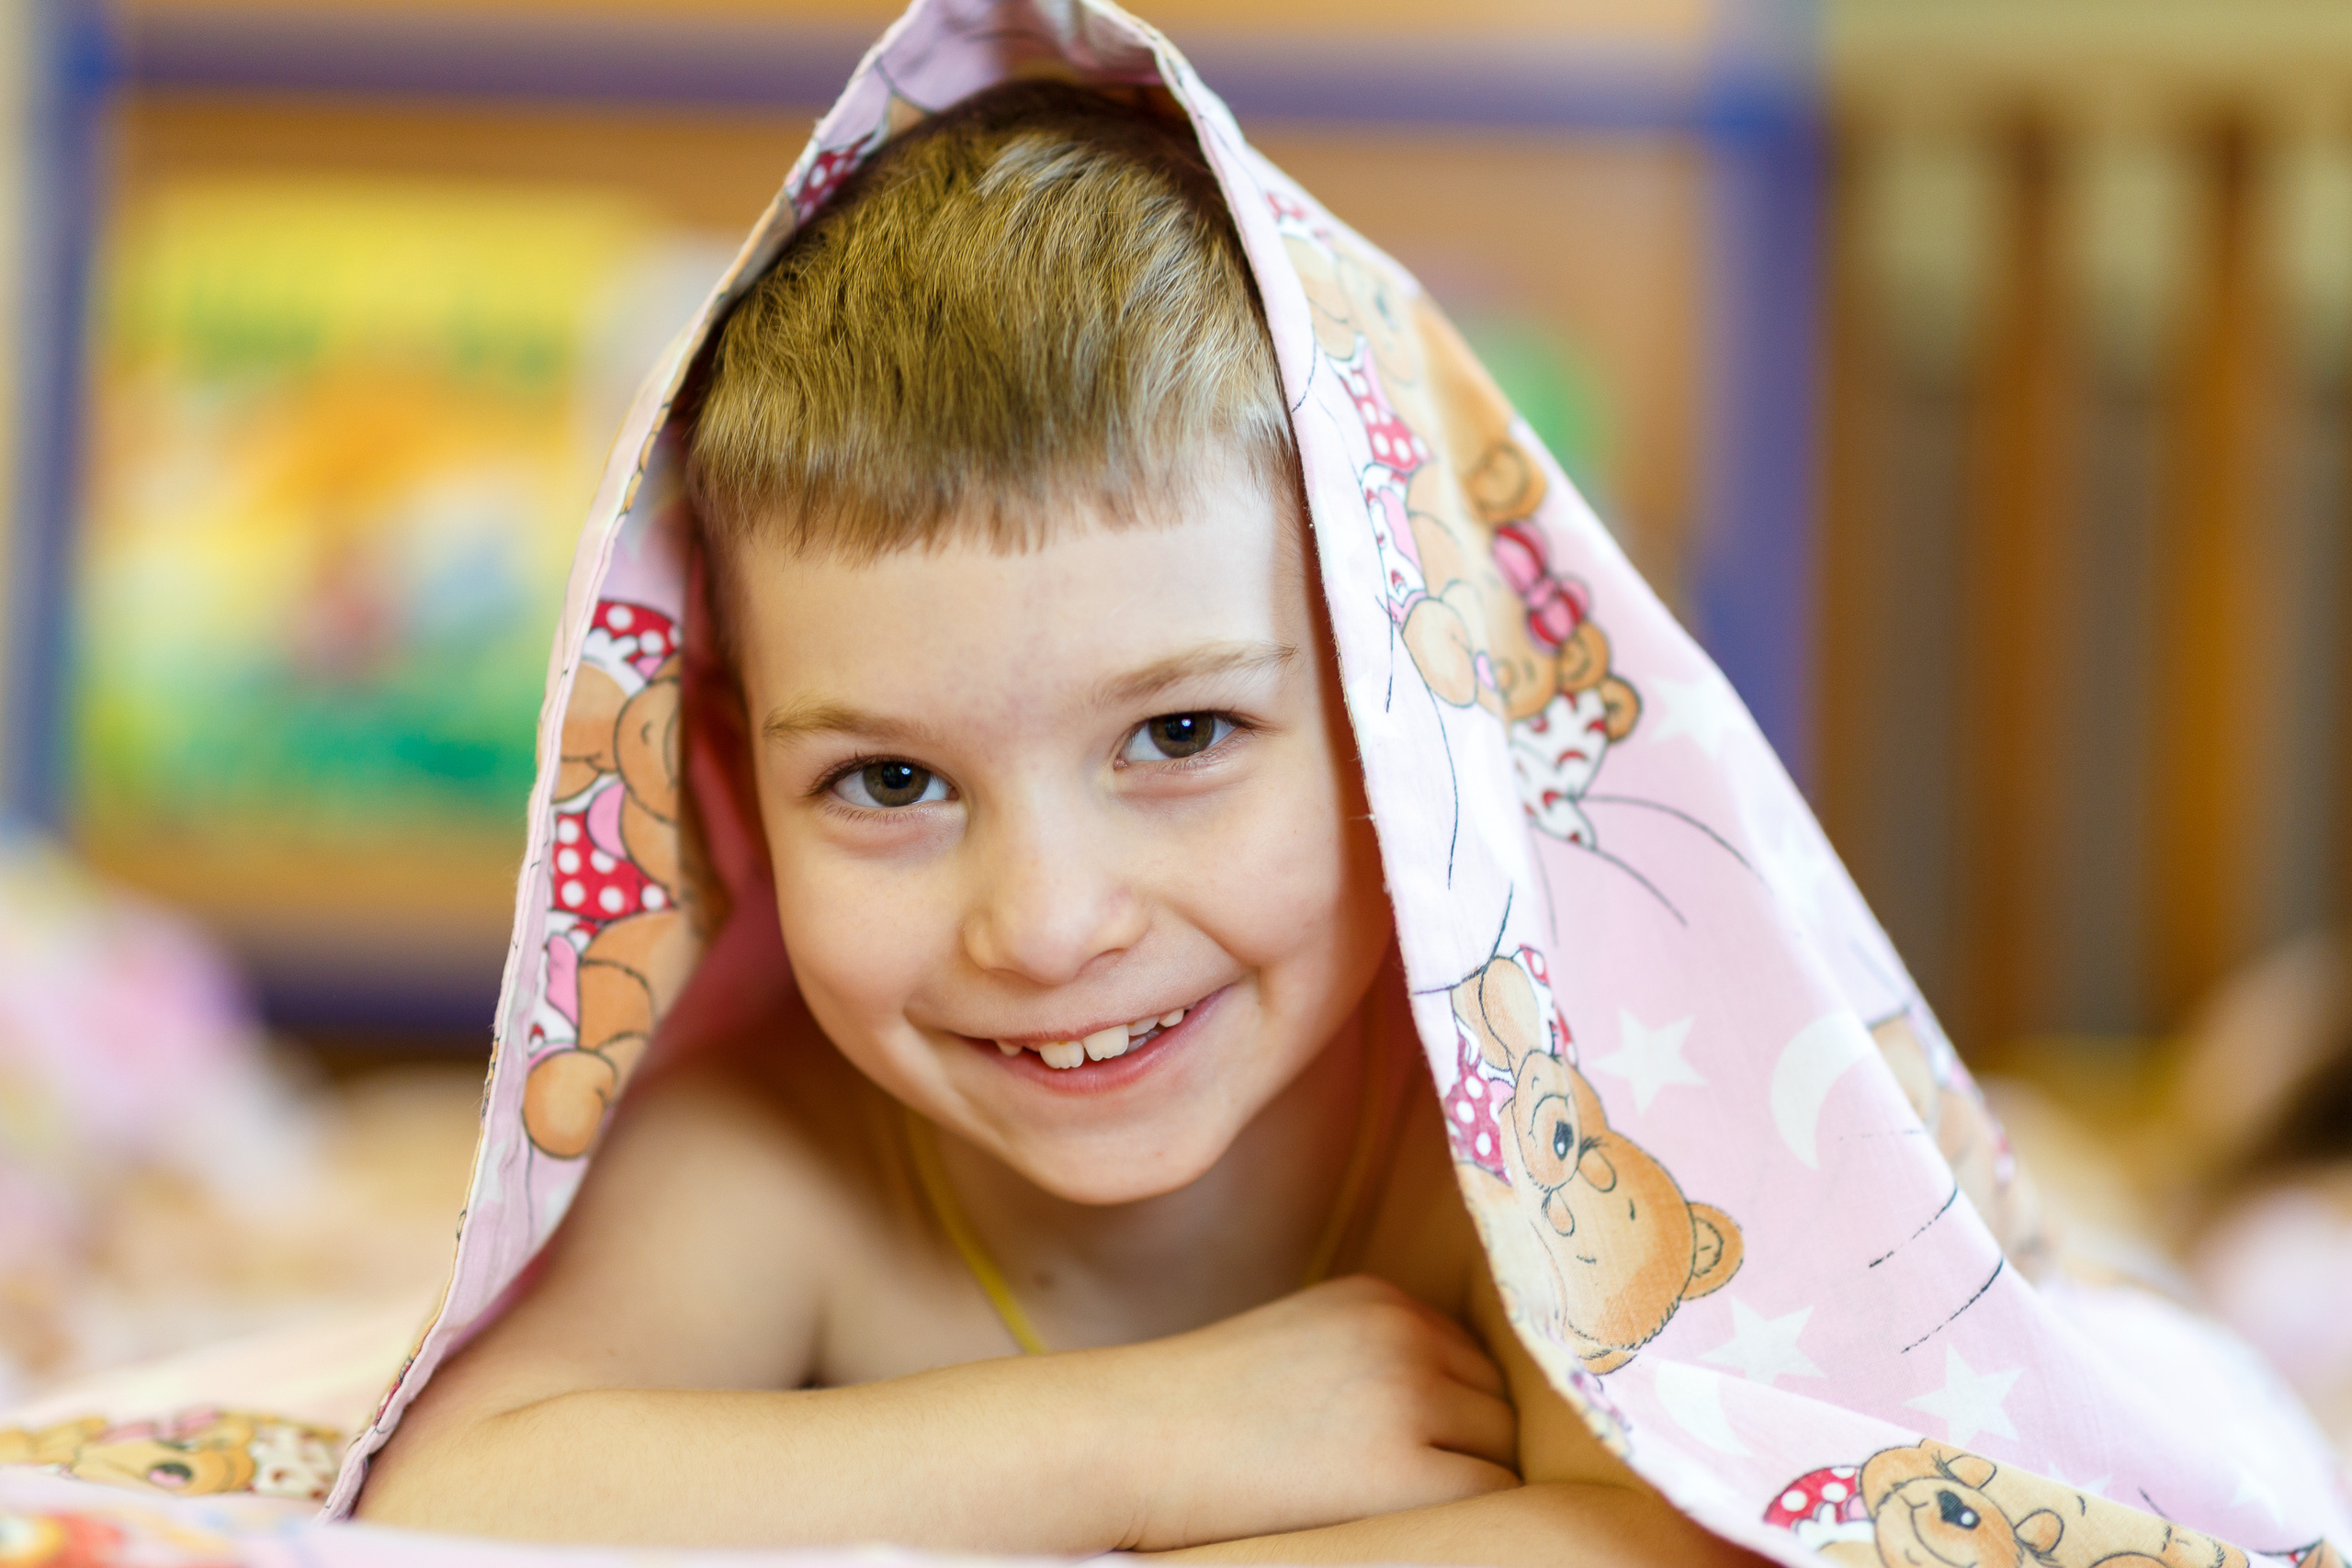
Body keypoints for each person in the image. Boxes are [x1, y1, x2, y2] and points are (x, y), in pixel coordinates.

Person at [351, 80, 1758, 1568]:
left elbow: (1665, 1546)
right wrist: (1154, 1440)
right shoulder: (791, 1144)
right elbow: (460, 1507)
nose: (1045, 924)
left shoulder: (1516, 1125)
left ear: (1402, 720)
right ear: (731, 775)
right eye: (890, 782)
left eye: (1182, 734)